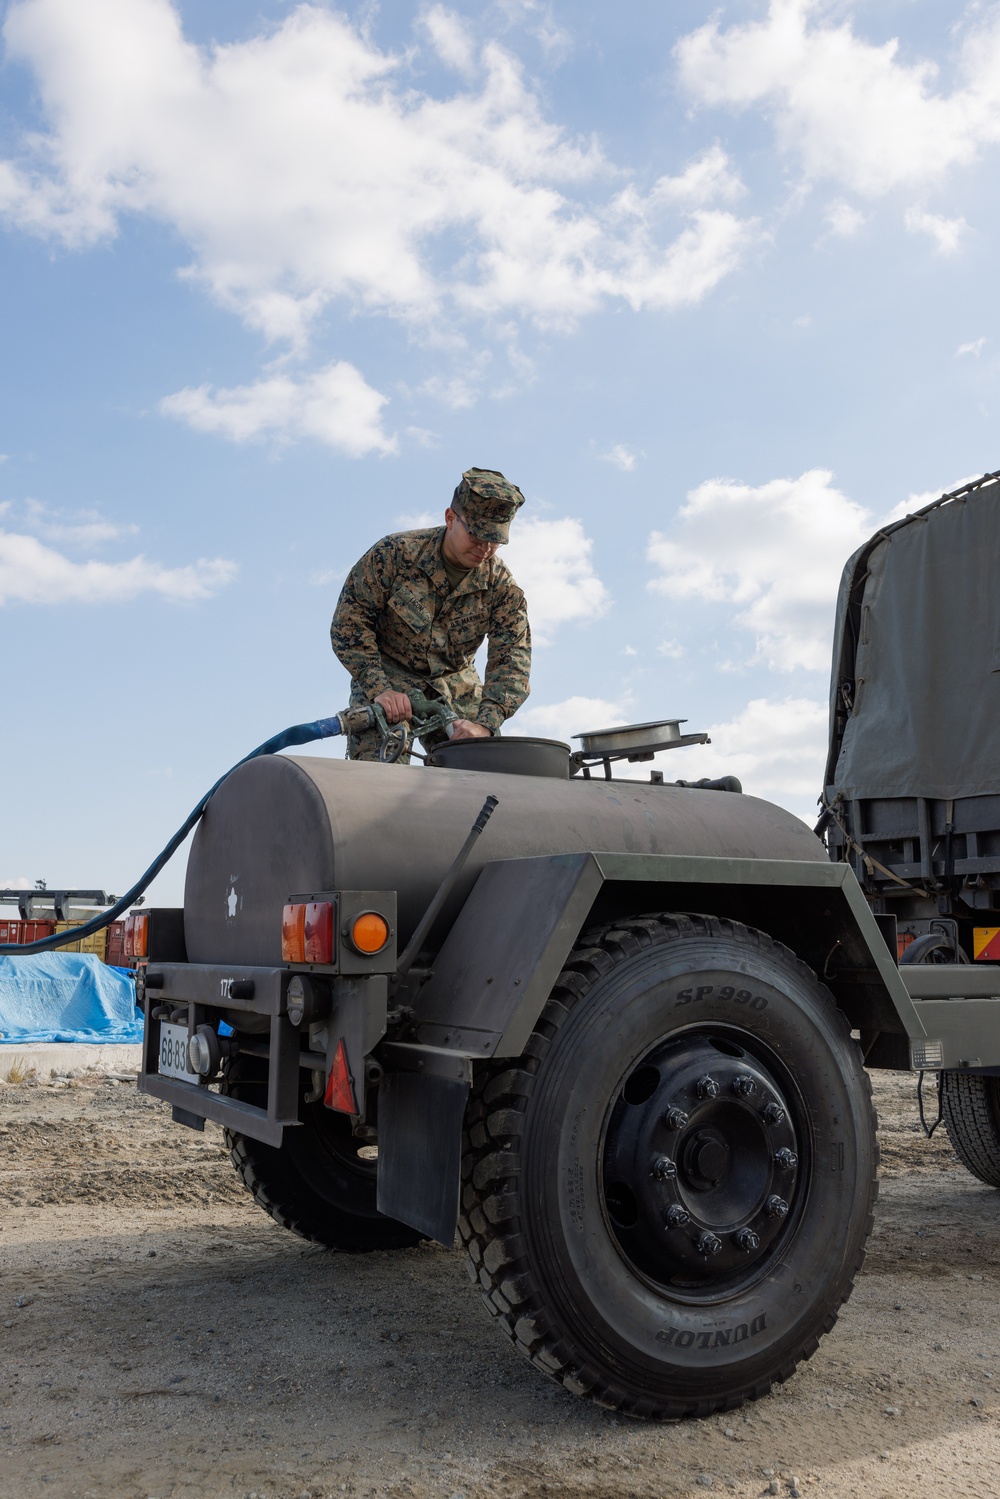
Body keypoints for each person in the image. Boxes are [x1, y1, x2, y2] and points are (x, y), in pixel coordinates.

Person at [330, 468, 531, 761]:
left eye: (495, 539)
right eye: (476, 535)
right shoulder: (394, 555)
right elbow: (349, 625)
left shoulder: (503, 589)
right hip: (387, 675)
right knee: (376, 776)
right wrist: (379, 688)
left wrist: (485, 724)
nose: (485, 548)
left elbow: (513, 660)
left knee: (484, 772)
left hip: (456, 683)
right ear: (450, 518)